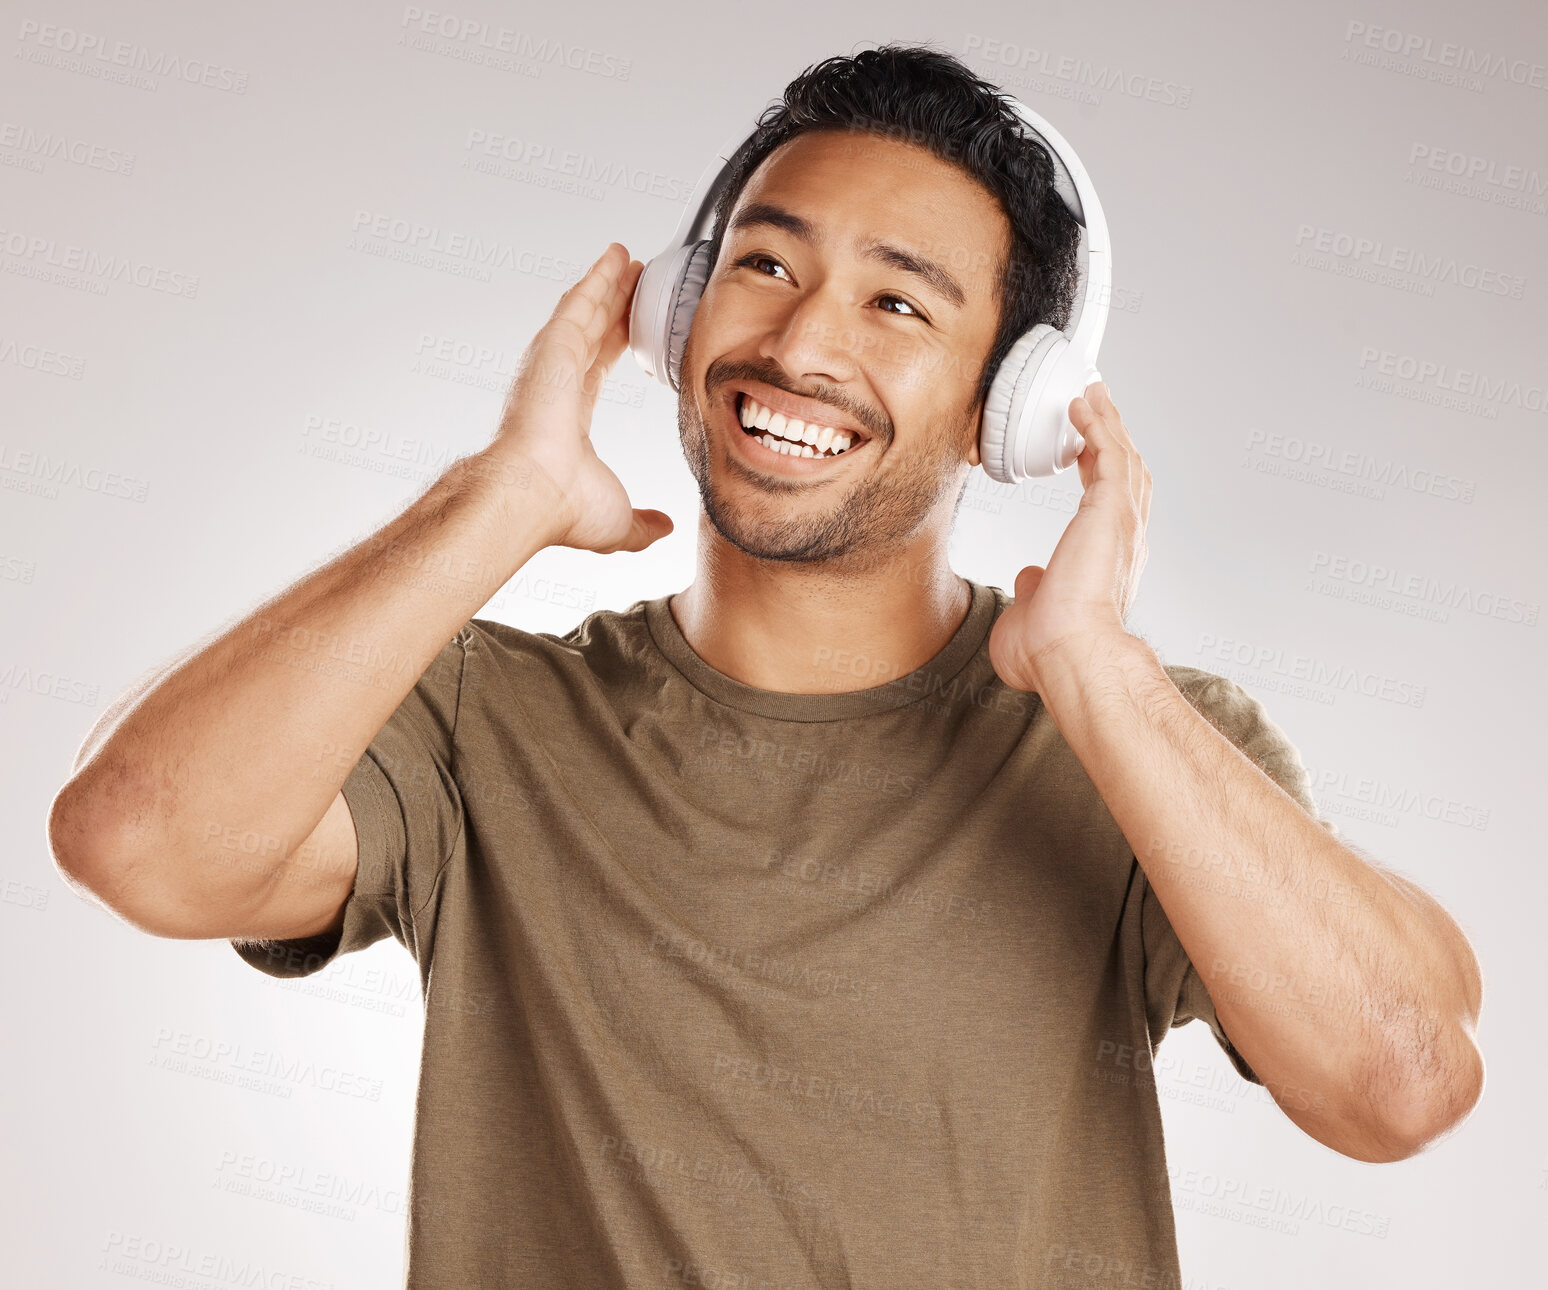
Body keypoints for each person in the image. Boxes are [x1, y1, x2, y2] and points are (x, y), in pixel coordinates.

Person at [48, 43, 1483, 1290]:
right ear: (677, 317)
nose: (798, 343)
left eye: (897, 304)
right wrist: (496, 497)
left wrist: (1096, 669)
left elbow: (1403, 1079)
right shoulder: (481, 722)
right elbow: (138, 839)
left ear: (1014, 406)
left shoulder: (1134, 747)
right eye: (764, 265)